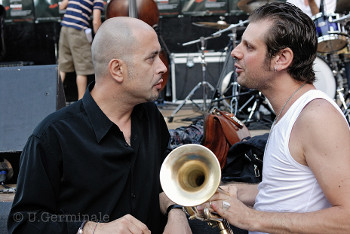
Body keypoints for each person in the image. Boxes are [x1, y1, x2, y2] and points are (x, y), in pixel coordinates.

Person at [8, 17, 191, 234]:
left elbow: (163, 183)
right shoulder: (52, 136)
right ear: (117, 70)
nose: (162, 67)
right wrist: (91, 229)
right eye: (151, 58)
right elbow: (23, 223)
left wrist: (176, 212)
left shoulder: (151, 117)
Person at [202, 2, 350, 233]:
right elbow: (287, 191)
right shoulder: (289, 110)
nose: (235, 52)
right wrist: (237, 192)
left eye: (249, 47)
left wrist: (251, 219)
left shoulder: (316, 117)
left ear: (281, 58)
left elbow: (347, 219)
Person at [58, 0, 103, 100]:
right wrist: (100, 37)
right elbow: (96, 21)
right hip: (78, 30)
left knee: (62, 67)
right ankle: (81, 102)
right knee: (82, 69)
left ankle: (52, 98)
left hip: (65, 28)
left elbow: (62, 6)